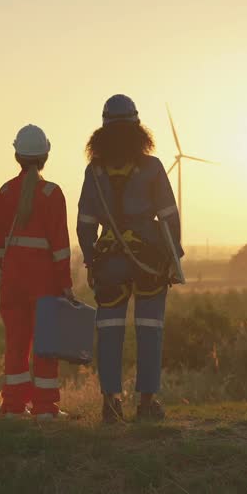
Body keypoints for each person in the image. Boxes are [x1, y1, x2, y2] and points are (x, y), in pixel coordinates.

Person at [76, 94, 182, 423]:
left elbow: (85, 225)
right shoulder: (151, 167)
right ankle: (147, 403)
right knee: (150, 329)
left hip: (109, 262)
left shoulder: (94, 172)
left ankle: (111, 403)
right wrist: (173, 256)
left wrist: (92, 262)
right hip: (149, 258)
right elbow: (169, 216)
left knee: (109, 331)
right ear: (138, 128)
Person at [0, 124, 74, 421]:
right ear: (45, 156)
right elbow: (61, 248)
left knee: (15, 344)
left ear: (17, 155)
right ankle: (45, 408)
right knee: (45, 346)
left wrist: (0, 273)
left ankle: (13, 406)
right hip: (44, 282)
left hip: (11, 280)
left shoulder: (3, 192)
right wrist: (66, 284)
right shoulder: (52, 194)